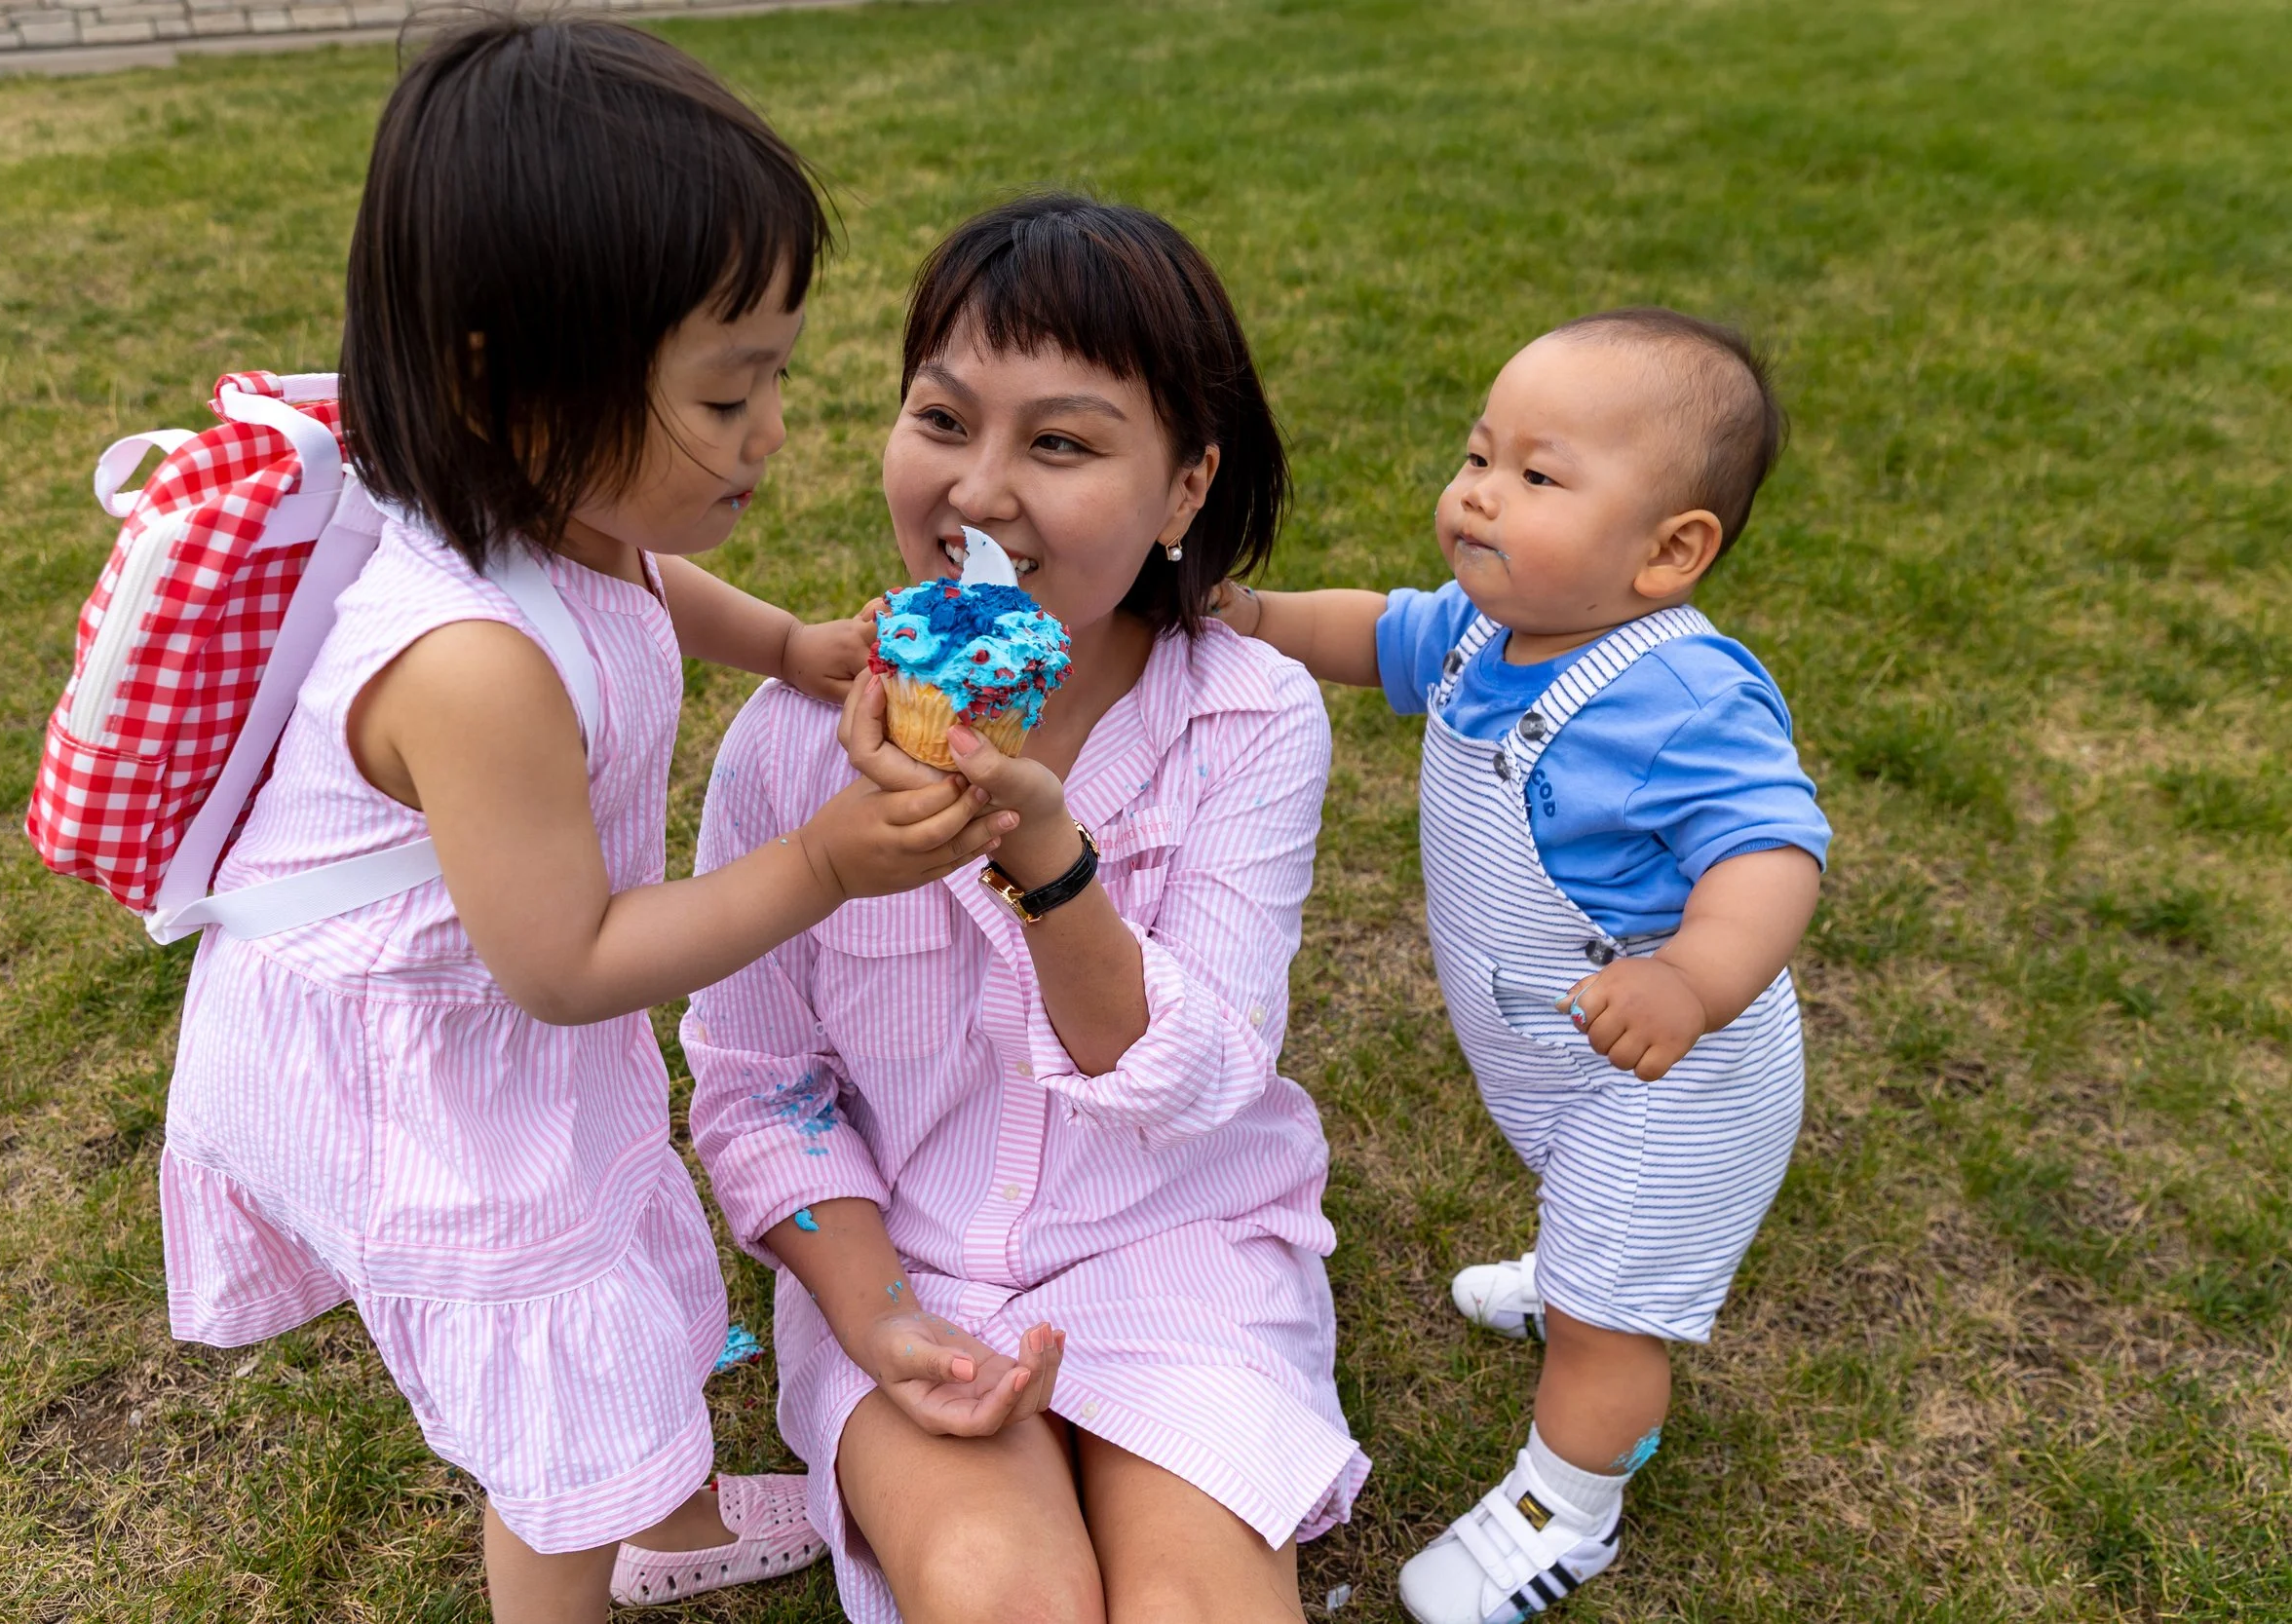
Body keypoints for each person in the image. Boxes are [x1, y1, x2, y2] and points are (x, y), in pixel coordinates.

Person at [156, 19, 1016, 1621]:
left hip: (506, 1024)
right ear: (510, 381)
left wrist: (783, 643)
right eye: (727, 389)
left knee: (627, 1279)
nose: (773, 429)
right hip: (425, 1067)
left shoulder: (567, 504)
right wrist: (825, 860)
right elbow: (567, 961)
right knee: (554, 1429)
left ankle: (673, 1514)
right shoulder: (469, 662)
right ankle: (585, 1560)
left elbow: (652, 582)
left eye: (777, 374)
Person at [686, 195, 1368, 1624]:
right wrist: (884, 1321)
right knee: (1005, 1597)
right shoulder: (792, 740)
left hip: (1175, 1244)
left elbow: (1203, 1077)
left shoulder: (1247, 719)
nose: (980, 492)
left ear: (1184, 490)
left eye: (1059, 442)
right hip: (907, 1262)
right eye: (943, 419)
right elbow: (763, 1092)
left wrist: (1049, 860)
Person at [1214, 309, 1831, 1623]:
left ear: (1671, 551)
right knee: (1583, 1229)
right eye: (1480, 454)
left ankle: (1567, 1504)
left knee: (1613, 1321)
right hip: (1568, 1052)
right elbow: (1371, 629)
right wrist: (1253, 617)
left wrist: (1694, 979)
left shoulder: (1685, 698)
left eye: (1538, 476)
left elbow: (1775, 851)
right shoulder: (1480, 633)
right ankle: (1575, 1265)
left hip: (1679, 1076)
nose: (1478, 490)